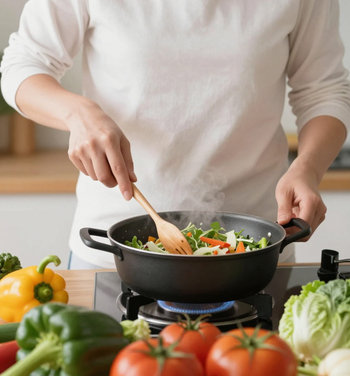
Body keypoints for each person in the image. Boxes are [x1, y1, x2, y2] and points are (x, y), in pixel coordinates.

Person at [1, 0, 350, 269]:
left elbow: (324, 90)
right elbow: (23, 65)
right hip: (117, 249)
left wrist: (308, 168)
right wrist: (77, 114)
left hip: (249, 247)